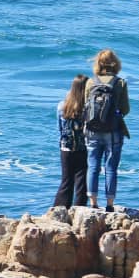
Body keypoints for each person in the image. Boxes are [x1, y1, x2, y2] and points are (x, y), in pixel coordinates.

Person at [84, 49, 130, 212]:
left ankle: (93, 202)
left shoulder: (90, 82)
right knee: (111, 167)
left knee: (93, 165)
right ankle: (110, 204)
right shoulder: (120, 83)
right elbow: (125, 109)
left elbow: (86, 106)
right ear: (115, 63)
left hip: (92, 130)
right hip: (113, 131)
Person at [53, 74, 89, 209]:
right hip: (83, 148)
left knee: (66, 181)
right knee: (82, 182)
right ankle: (79, 210)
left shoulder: (62, 106)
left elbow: (60, 129)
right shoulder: (87, 108)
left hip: (66, 148)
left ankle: (59, 209)